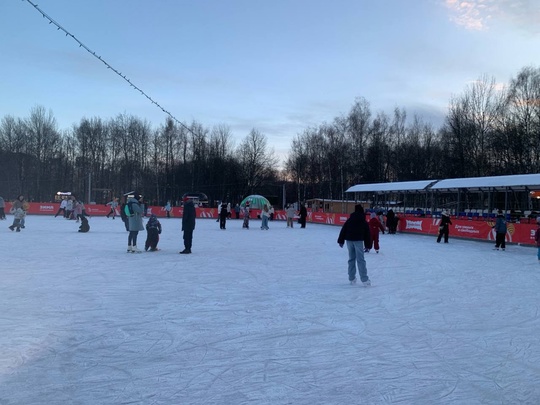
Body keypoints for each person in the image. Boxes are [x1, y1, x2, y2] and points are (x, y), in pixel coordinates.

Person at [337, 204, 372, 286]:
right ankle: (364, 279)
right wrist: (368, 245)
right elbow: (367, 233)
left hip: (349, 240)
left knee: (351, 259)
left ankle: (351, 278)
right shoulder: (363, 220)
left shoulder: (350, 219)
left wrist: (341, 241)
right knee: (360, 260)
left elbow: (344, 229)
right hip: (358, 240)